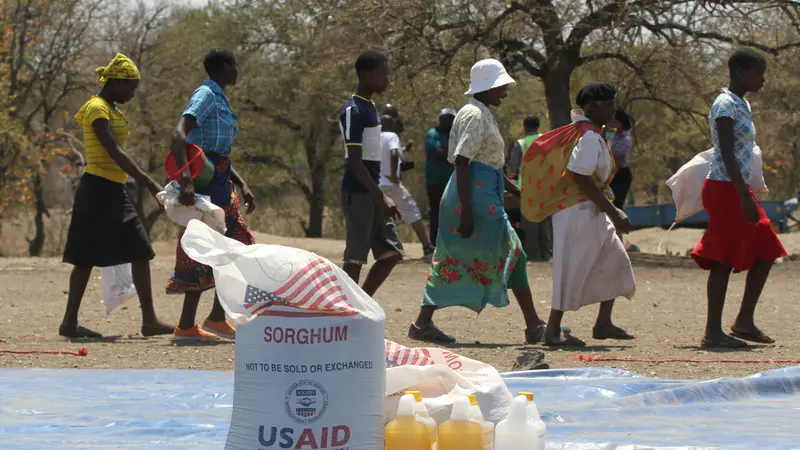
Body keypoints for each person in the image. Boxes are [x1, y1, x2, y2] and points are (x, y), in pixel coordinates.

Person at [408, 59, 546, 344]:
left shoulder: (482, 112)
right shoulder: (473, 114)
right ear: (488, 85)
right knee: (506, 251)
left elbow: (490, 163)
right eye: (501, 87)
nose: (505, 93)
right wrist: (467, 212)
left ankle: (423, 324)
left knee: (471, 256)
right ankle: (533, 326)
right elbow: (462, 161)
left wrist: (517, 191)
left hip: (484, 195)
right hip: (472, 199)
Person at [60, 53, 172, 338]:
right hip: (97, 189)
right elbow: (114, 150)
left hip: (111, 189)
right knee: (85, 257)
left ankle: (149, 321)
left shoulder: (110, 107)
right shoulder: (97, 108)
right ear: (116, 82)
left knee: (140, 249)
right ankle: (69, 323)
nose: (133, 93)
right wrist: (149, 182)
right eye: (130, 86)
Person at [524, 82, 636, 346]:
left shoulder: (594, 134)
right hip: (579, 211)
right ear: (592, 107)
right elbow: (579, 176)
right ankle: (552, 331)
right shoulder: (587, 137)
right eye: (608, 104)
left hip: (592, 210)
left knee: (616, 260)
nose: (613, 110)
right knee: (571, 268)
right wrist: (614, 211)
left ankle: (603, 323)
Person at [691, 48, 786, 348]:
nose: (763, 79)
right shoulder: (724, 105)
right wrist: (743, 195)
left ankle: (744, 320)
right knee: (722, 257)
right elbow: (727, 153)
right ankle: (712, 333)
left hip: (737, 188)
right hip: (725, 188)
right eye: (759, 73)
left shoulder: (742, 103)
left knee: (768, 248)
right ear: (741, 72)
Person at [167, 49, 257, 340]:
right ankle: (187, 325)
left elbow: (218, 154)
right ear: (224, 66)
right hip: (205, 185)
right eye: (235, 65)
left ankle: (216, 318)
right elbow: (180, 134)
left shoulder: (220, 98)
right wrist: (186, 179)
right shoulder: (205, 95)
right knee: (203, 249)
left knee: (233, 247)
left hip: (221, 181)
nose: (237, 70)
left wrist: (241, 183)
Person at [339, 51, 403, 296]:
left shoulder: (371, 107)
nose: (385, 79)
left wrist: (379, 195)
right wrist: (380, 196)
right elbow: (355, 161)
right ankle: (344, 312)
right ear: (364, 75)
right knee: (355, 257)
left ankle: (361, 302)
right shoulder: (353, 109)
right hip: (358, 191)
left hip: (373, 191)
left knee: (392, 252)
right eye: (381, 74)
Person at [379, 114, 436, 260]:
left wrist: (404, 149)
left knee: (383, 218)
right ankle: (427, 247)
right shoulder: (392, 136)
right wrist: (393, 174)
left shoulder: (374, 138)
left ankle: (388, 249)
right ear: (391, 125)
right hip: (391, 184)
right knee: (412, 212)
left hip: (378, 185)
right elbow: (393, 152)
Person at [507, 115, 552, 261]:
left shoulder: (521, 144)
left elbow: (514, 166)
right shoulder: (547, 140)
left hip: (528, 186)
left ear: (525, 127)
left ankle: (533, 253)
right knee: (545, 220)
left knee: (530, 221)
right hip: (546, 185)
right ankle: (547, 251)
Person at [424, 108, 456, 246]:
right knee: (436, 211)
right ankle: (434, 242)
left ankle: (452, 241)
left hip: (452, 180)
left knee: (453, 211)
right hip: (435, 180)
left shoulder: (455, 136)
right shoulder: (432, 134)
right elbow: (436, 151)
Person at [608, 110, 634, 209]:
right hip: (609, 170)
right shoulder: (610, 132)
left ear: (621, 123)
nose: (611, 124)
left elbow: (617, 160)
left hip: (620, 174)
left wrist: (609, 178)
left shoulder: (625, 139)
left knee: (616, 205)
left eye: (614, 122)